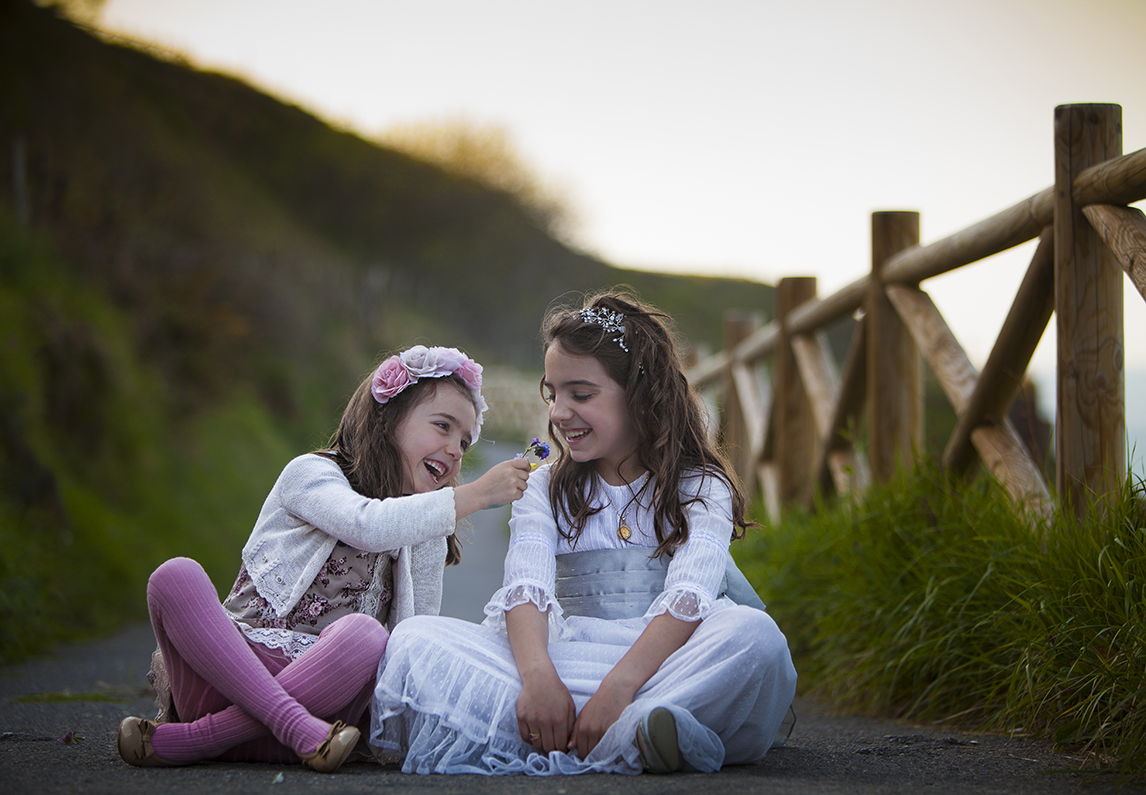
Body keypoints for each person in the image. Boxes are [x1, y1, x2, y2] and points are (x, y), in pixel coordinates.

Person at [371, 293, 797, 775]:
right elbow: (524, 587)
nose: (558, 412)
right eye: (553, 393)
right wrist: (536, 679)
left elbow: (691, 593)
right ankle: (626, 734)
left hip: (663, 666)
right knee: (413, 639)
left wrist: (619, 687)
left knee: (757, 639)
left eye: (582, 394)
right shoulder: (543, 486)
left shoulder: (699, 486)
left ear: (640, 394)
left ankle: (638, 721)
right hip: (564, 661)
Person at [116, 345, 532, 773]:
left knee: (367, 638)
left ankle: (203, 739)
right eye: (442, 426)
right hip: (230, 673)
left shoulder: (425, 532)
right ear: (388, 420)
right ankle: (285, 727)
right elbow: (366, 525)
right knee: (174, 576)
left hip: (326, 696)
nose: (455, 449)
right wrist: (476, 495)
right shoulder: (312, 474)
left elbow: (414, 634)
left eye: (464, 441)